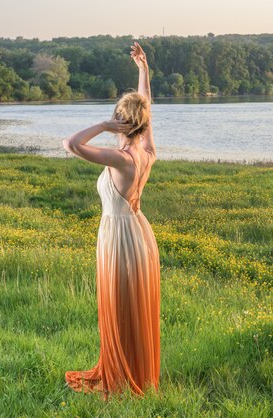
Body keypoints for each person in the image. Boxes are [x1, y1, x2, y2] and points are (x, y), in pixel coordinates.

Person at [62, 42, 160, 401]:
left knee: (120, 308)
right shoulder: (146, 151)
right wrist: (143, 71)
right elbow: (146, 106)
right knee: (133, 306)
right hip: (138, 234)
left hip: (118, 237)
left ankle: (121, 377)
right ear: (144, 123)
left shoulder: (121, 158)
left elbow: (72, 143)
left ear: (121, 121)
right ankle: (136, 371)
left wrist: (103, 124)